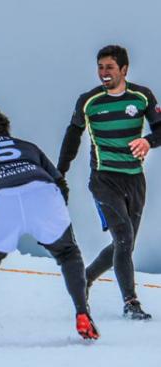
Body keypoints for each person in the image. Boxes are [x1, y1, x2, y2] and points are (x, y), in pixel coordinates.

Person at [0, 106, 98, 347]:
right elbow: (60, 183)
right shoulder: (28, 146)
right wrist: (51, 219)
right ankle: (82, 315)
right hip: (42, 192)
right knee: (68, 253)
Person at [57, 45, 161, 320]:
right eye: (100, 67)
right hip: (103, 179)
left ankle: (86, 277)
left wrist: (147, 141)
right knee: (123, 239)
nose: (103, 73)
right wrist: (60, 172)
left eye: (109, 68)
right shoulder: (89, 101)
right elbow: (72, 136)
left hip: (134, 180)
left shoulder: (142, 96)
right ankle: (131, 302)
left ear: (124, 69)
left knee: (123, 244)